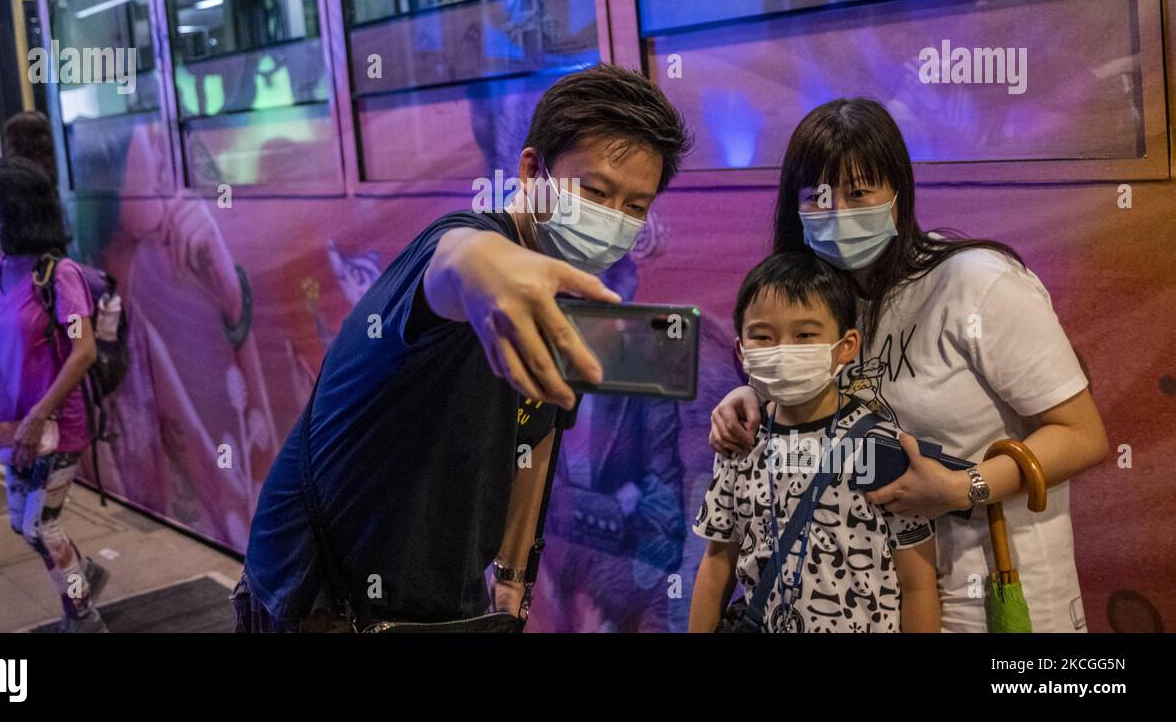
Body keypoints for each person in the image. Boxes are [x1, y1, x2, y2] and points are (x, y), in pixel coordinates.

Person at [234, 64, 692, 630]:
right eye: (596, 192)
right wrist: (488, 269)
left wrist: (512, 578)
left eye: (635, 206)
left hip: (443, 605)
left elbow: (538, 435)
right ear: (531, 169)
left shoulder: (561, 292)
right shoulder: (458, 246)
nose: (614, 220)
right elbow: (461, 259)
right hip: (317, 599)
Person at [708, 98, 1108, 632]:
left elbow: (1081, 434)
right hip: (879, 605)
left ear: (897, 193)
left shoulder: (976, 282)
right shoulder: (824, 303)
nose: (840, 214)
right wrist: (755, 395)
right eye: (819, 197)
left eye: (859, 192)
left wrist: (964, 489)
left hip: (994, 592)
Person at [689, 251, 939, 633]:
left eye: (805, 335)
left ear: (846, 345)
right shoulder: (738, 441)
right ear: (741, 350)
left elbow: (918, 584)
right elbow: (717, 562)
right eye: (763, 336)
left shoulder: (883, 446)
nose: (784, 349)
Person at [0, 158, 110, 631]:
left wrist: (39, 414)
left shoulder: (58, 276)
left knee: (40, 526)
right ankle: (83, 573)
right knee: (22, 524)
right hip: (14, 426)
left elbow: (84, 349)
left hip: (56, 427)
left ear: (12, 211)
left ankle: (84, 613)